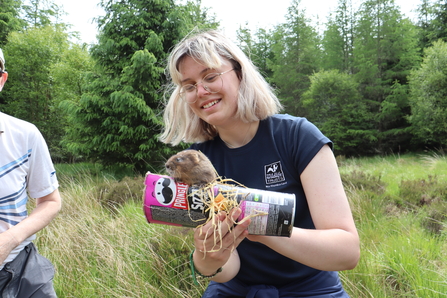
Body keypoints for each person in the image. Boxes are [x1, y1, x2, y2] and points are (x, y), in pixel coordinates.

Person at [160, 30, 360, 297]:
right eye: (189, 85)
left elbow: (346, 252)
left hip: (311, 289)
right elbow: (225, 271)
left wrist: (260, 226)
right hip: (234, 290)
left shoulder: (298, 137)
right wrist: (208, 256)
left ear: (240, 74)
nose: (200, 91)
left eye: (210, 77)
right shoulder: (197, 161)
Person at [0, 48, 61, 297]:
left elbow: (50, 201)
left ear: (2, 80)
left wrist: (10, 240)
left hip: (23, 271)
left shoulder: (25, 135)